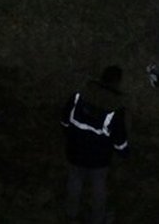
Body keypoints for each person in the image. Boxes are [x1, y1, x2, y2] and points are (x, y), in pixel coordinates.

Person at [61, 65, 130, 224]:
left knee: (74, 181)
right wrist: (125, 153)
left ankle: (71, 214)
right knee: (99, 187)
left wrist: (69, 136)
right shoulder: (116, 108)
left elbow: (64, 120)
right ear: (117, 83)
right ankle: (98, 219)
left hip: (75, 151)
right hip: (98, 159)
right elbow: (119, 140)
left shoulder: (79, 96)